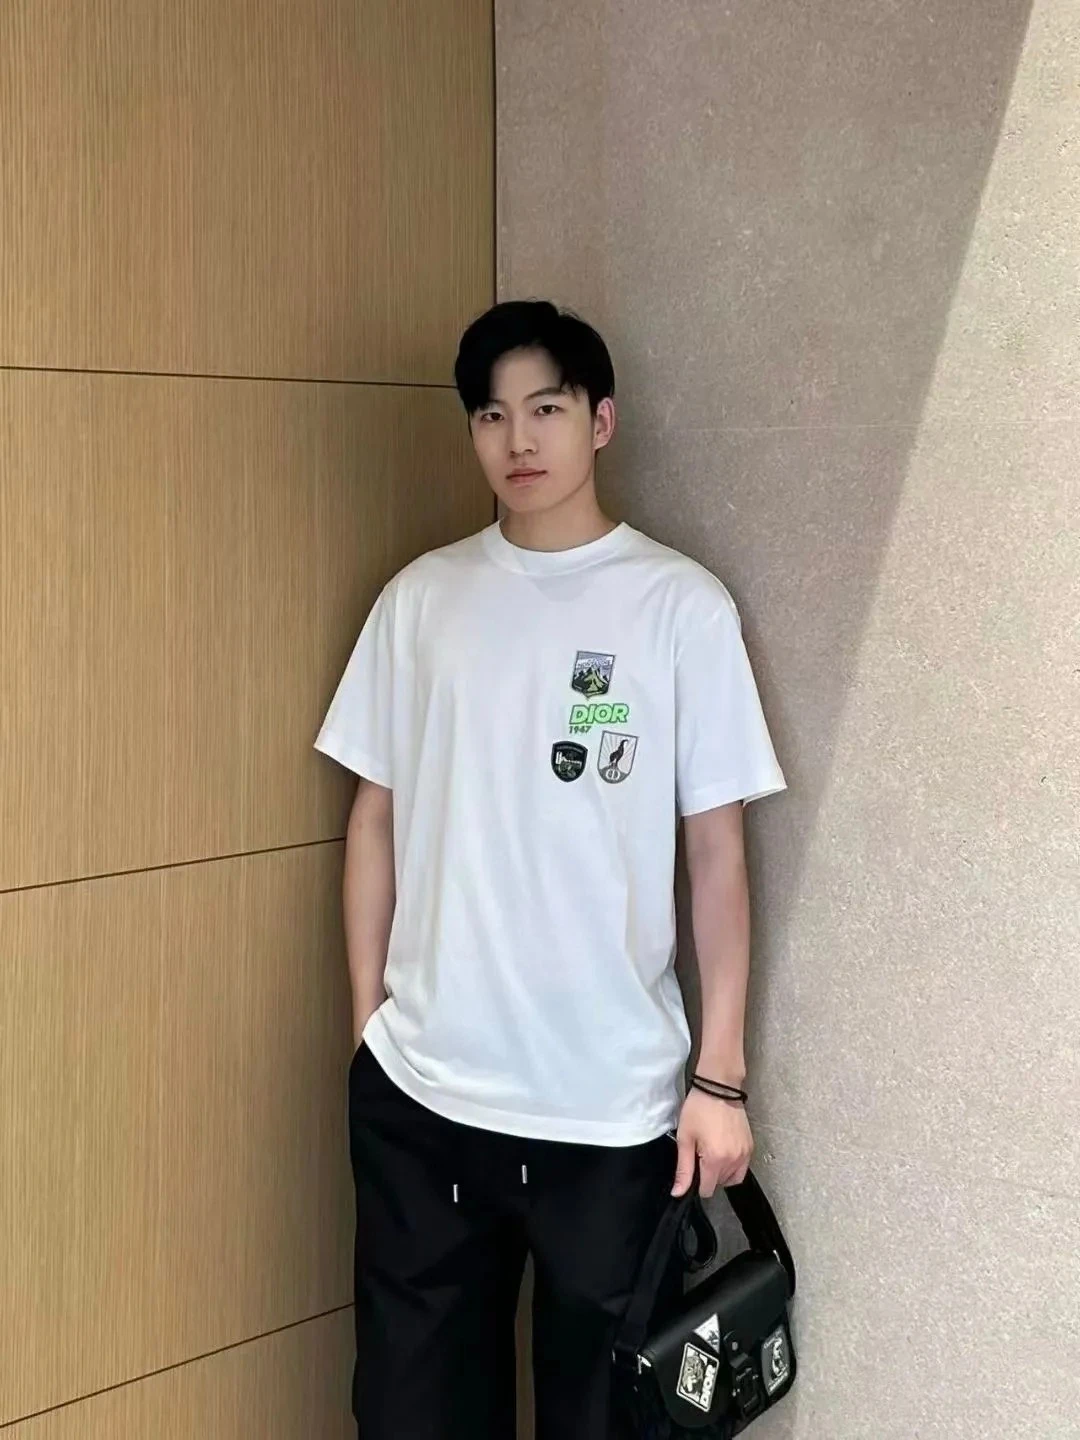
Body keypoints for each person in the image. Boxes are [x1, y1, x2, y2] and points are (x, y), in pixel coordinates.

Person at [314, 299, 786, 1439]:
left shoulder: (680, 607)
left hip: (611, 1112)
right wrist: (369, 1028)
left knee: (607, 1421)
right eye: (491, 415)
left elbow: (717, 854)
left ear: (600, 421)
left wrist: (720, 1079)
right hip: (426, 1098)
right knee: (413, 1415)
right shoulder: (420, 600)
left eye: (546, 409)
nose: (517, 440)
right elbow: (373, 820)